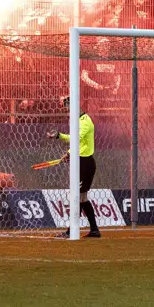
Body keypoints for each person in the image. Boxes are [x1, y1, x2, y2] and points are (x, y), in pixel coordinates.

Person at [49, 92, 99, 238]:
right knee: (82, 197)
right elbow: (76, 142)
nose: (68, 111)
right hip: (82, 161)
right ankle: (94, 230)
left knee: (78, 196)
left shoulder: (85, 121)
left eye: (69, 107)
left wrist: (68, 150)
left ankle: (71, 231)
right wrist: (69, 151)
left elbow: (76, 139)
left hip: (85, 163)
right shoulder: (78, 120)